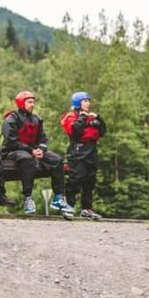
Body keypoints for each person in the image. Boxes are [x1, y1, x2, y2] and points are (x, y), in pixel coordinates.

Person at [1, 91, 73, 216]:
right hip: (12, 151)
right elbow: (10, 142)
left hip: (33, 151)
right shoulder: (11, 119)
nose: (32, 104)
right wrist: (31, 151)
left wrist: (40, 149)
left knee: (57, 160)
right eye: (29, 102)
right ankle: (28, 198)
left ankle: (58, 198)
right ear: (21, 103)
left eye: (33, 102)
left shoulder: (37, 119)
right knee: (28, 159)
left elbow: (43, 139)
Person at [60, 91, 107, 219]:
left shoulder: (91, 117)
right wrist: (83, 117)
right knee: (75, 178)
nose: (88, 103)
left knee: (90, 180)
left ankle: (87, 208)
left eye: (88, 101)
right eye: (85, 101)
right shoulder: (70, 116)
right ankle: (68, 206)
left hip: (91, 149)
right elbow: (75, 131)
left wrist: (98, 118)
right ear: (78, 103)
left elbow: (102, 131)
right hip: (77, 149)